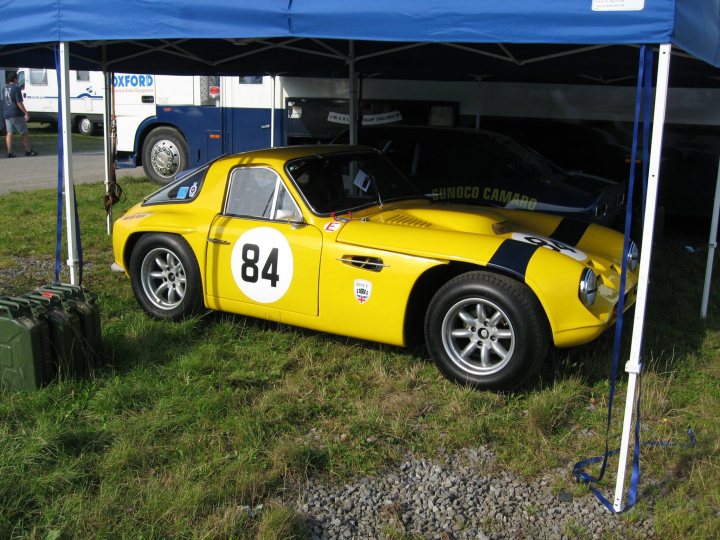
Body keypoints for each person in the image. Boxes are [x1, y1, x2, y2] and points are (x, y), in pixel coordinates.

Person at [3, 73, 37, 158]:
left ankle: (10, 152)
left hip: (7, 113)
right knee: (24, 132)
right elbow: (19, 103)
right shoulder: (16, 88)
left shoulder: (4, 88)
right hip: (16, 113)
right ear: (15, 79)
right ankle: (28, 150)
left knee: (9, 133)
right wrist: (26, 112)